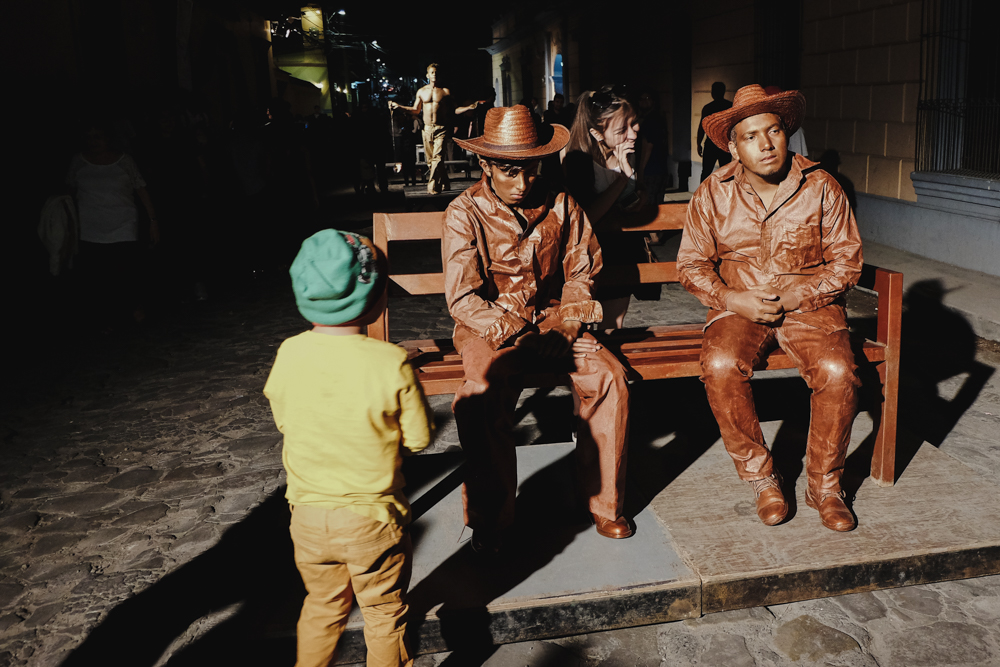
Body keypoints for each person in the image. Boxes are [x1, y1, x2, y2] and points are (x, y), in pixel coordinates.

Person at [446, 106, 633, 553]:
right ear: (486, 165)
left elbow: (581, 270)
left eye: (531, 169)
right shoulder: (463, 212)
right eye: (509, 171)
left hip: (553, 320)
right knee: (481, 392)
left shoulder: (563, 204)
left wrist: (569, 322)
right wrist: (518, 333)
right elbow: (463, 297)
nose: (523, 182)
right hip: (487, 325)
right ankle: (490, 519)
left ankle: (604, 503)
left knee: (609, 378)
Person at [677, 84, 863, 532]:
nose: (765, 144)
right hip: (740, 302)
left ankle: (825, 486)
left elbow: (847, 260)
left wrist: (800, 296)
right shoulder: (713, 192)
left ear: (786, 133)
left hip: (810, 303)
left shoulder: (821, 185)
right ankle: (762, 478)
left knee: (838, 372)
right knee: (720, 364)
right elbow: (691, 264)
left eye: (774, 131)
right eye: (750, 136)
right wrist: (731, 298)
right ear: (733, 147)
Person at [264, 229, 435, 667]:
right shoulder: (389, 361)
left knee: (322, 607)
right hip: (371, 520)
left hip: (307, 517)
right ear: (376, 299)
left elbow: (284, 419)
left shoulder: (289, 353)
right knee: (383, 613)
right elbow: (419, 438)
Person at [563, 84, 656, 330]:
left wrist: (639, 196)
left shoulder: (627, 151)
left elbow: (634, 197)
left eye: (634, 123)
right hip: (586, 259)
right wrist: (623, 179)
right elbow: (586, 218)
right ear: (596, 133)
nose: (633, 134)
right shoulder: (578, 161)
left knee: (613, 327)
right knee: (581, 332)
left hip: (621, 253)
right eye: (622, 129)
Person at [66, 120, 159, 330]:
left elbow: (141, 188)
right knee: (99, 273)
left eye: (97, 136)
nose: (93, 141)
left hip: (123, 223)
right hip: (90, 227)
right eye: (88, 137)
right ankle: (107, 317)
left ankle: (136, 309)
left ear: (108, 138)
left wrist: (153, 221)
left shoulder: (124, 161)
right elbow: (70, 191)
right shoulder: (78, 161)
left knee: (126, 270)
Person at [389, 63, 480, 194]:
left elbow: (454, 109)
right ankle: (445, 182)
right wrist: (399, 107)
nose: (434, 74)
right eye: (432, 72)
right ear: (428, 75)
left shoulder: (445, 91)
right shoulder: (421, 91)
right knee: (431, 161)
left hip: (441, 128)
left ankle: (432, 187)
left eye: (436, 72)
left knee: (437, 158)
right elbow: (415, 110)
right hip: (427, 129)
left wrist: (468, 108)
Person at [697, 82, 733, 181]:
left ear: (713, 93)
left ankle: (704, 190)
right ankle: (727, 190)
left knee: (706, 172)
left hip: (711, 144)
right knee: (726, 173)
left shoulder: (708, 108)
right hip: (725, 144)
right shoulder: (729, 106)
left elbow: (702, 127)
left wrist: (699, 143)